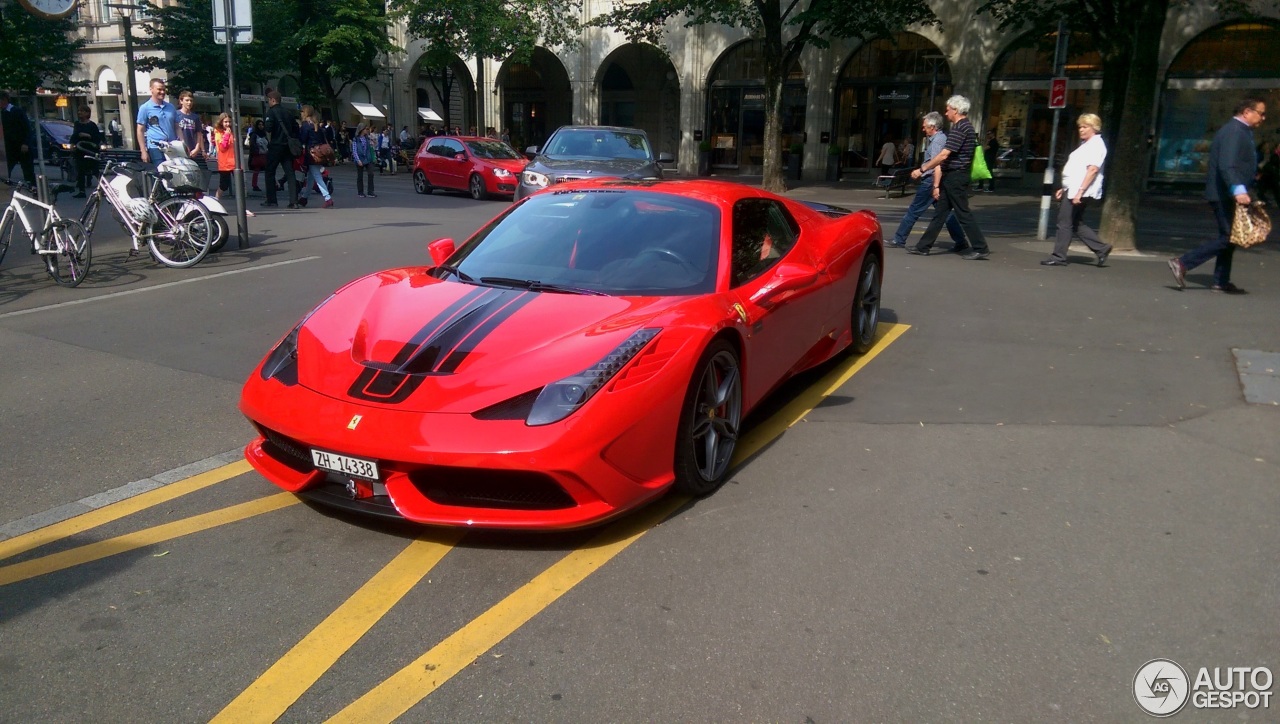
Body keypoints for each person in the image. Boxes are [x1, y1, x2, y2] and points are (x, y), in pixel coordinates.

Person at [1168, 97, 1267, 294]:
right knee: (1229, 236)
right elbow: (1227, 164)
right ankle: (1183, 262)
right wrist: (1237, 189)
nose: (1263, 118)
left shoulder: (1240, 131)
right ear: (1247, 112)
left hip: (1228, 193)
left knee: (1230, 236)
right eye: (1261, 113)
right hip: (1225, 194)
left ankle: (1220, 281)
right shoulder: (1234, 131)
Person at [908, 94, 991, 260]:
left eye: (948, 110)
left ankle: (980, 248)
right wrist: (937, 184)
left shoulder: (960, 129)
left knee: (963, 213)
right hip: (952, 176)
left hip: (956, 176)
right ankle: (923, 246)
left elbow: (943, 155)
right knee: (940, 213)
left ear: (956, 110)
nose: (946, 114)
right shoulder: (963, 127)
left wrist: (922, 169)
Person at [1041, 113, 1112, 267]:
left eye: (1085, 127)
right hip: (1074, 189)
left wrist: (1080, 191)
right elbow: (1077, 170)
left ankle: (1059, 256)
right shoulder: (1087, 144)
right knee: (1075, 222)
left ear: (1094, 128)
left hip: (1080, 190)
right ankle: (1102, 248)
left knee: (1064, 222)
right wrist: (1065, 187)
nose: (1081, 129)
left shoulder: (1096, 145)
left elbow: (1092, 170)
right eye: (1080, 126)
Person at [888, 112, 967, 250]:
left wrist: (925, 174)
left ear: (933, 126)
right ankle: (961, 241)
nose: (923, 129)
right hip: (935, 181)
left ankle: (899, 239)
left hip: (930, 181)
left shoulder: (937, 141)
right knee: (945, 213)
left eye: (925, 126)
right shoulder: (940, 138)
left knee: (914, 210)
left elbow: (937, 163)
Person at [262, 89, 300, 208]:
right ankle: (294, 201)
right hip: (287, 147)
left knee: (269, 172)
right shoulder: (288, 112)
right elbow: (296, 128)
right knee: (290, 173)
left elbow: (268, 128)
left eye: (269, 100)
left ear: (273, 100)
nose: (268, 102)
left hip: (275, 145)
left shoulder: (271, 112)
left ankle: (271, 200)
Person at [136, 78, 178, 173]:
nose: (162, 92)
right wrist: (143, 151)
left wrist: (182, 142)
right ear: (151, 89)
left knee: (174, 173)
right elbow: (140, 130)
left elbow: (177, 126)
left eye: (164, 89)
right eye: (159, 89)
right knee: (162, 173)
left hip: (171, 146)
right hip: (156, 147)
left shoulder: (170, 107)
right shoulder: (145, 108)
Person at [297, 105, 334, 208]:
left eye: (301, 111)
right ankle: (304, 197)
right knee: (310, 177)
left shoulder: (305, 125)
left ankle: (327, 198)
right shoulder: (317, 124)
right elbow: (323, 139)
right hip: (319, 153)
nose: (300, 113)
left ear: (305, 112)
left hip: (311, 153)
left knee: (316, 176)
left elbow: (303, 139)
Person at [1, 90, 37, 183]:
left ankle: (34, 190)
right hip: (9, 147)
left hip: (22, 146)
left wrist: (26, 143)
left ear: (4, 100)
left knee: (28, 171)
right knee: (5, 170)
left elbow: (27, 129)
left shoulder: (17, 111)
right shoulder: (2, 113)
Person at [71, 105, 102, 197]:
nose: (79, 112)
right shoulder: (77, 124)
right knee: (80, 171)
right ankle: (81, 191)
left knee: (95, 170)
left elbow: (97, 138)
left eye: (82, 111)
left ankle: (105, 188)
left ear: (87, 113)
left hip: (90, 151)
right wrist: (72, 144)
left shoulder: (92, 125)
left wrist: (88, 136)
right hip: (80, 151)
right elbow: (74, 135)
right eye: (79, 111)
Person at [175, 90, 206, 165]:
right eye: (187, 100)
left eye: (191, 101)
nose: (189, 102)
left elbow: (199, 134)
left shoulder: (195, 117)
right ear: (181, 101)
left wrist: (197, 148)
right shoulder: (176, 114)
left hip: (193, 150)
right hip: (179, 149)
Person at [211, 112, 237, 200]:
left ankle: (243, 208)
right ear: (221, 122)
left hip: (234, 162)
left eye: (229, 122)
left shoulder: (232, 132)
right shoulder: (218, 133)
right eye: (225, 122)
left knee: (239, 185)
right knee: (224, 185)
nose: (228, 124)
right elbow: (222, 147)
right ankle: (216, 201)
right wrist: (226, 135)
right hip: (225, 164)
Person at [352, 122, 376, 198]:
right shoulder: (356, 139)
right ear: (361, 129)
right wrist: (358, 160)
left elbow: (373, 146)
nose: (367, 130)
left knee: (371, 174)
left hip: (368, 158)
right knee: (360, 176)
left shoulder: (367, 138)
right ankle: (360, 192)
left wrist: (374, 142)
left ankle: (370, 191)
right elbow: (354, 150)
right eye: (366, 129)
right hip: (360, 158)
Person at [246, 119, 268, 191]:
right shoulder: (254, 134)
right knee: (256, 170)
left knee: (268, 170)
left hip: (264, 154)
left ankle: (274, 184)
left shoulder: (264, 134)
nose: (261, 126)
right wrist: (256, 151)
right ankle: (254, 185)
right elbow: (252, 144)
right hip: (257, 155)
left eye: (262, 125)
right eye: (259, 125)